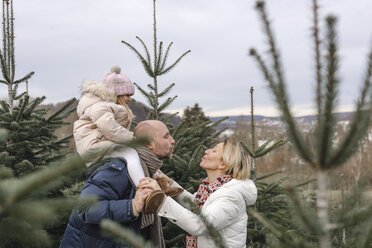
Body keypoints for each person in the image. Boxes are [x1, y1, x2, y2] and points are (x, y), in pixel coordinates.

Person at [60, 120, 178, 248]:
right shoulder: (119, 169)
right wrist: (131, 206)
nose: (173, 141)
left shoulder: (147, 172)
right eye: (166, 136)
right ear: (148, 144)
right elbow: (85, 208)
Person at [147, 138, 257, 248]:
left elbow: (199, 225)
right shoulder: (210, 189)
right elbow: (195, 205)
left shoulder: (231, 197)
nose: (206, 151)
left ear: (223, 164)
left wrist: (161, 200)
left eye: (214, 151)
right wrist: (169, 184)